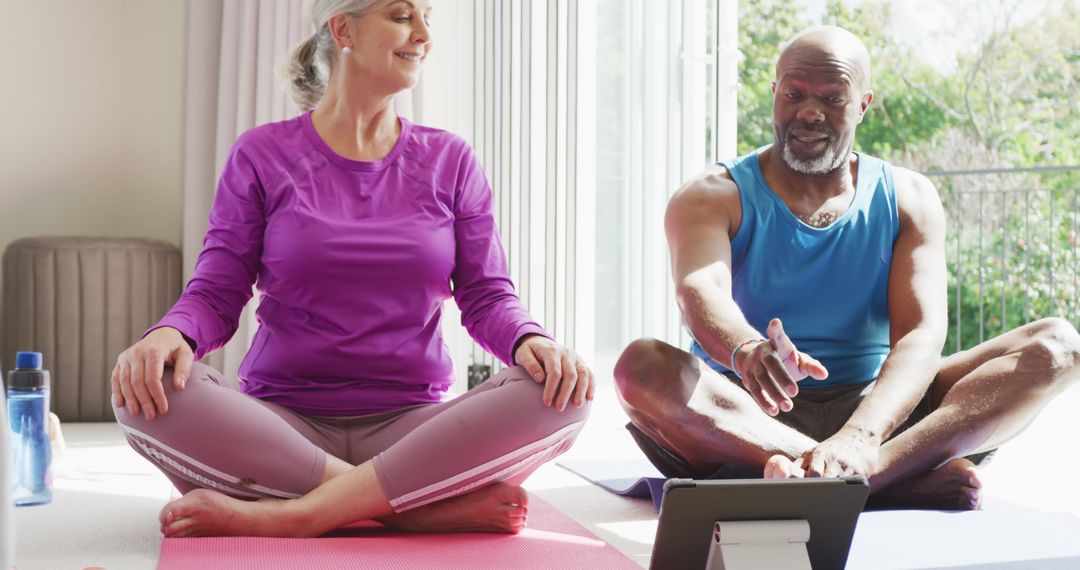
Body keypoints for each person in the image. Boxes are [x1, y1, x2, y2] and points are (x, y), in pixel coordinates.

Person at [110, 0, 593, 538]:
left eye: (427, 17)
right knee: (143, 386)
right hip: (281, 428)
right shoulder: (262, 154)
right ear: (343, 28)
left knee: (561, 394)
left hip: (414, 432)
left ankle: (296, 514)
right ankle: (412, 508)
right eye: (402, 15)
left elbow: (485, 294)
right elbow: (218, 291)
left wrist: (530, 340)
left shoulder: (450, 160)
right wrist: (169, 333)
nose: (424, 35)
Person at [613, 25, 1080, 510]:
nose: (809, 112)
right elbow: (700, 290)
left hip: (878, 407)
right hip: (747, 414)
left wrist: (863, 434)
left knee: (1058, 345)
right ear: (774, 95)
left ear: (863, 105)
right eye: (794, 94)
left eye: (833, 99)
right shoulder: (712, 195)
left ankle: (857, 474)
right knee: (640, 369)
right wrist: (748, 350)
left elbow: (921, 335)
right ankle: (894, 478)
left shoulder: (908, 197)